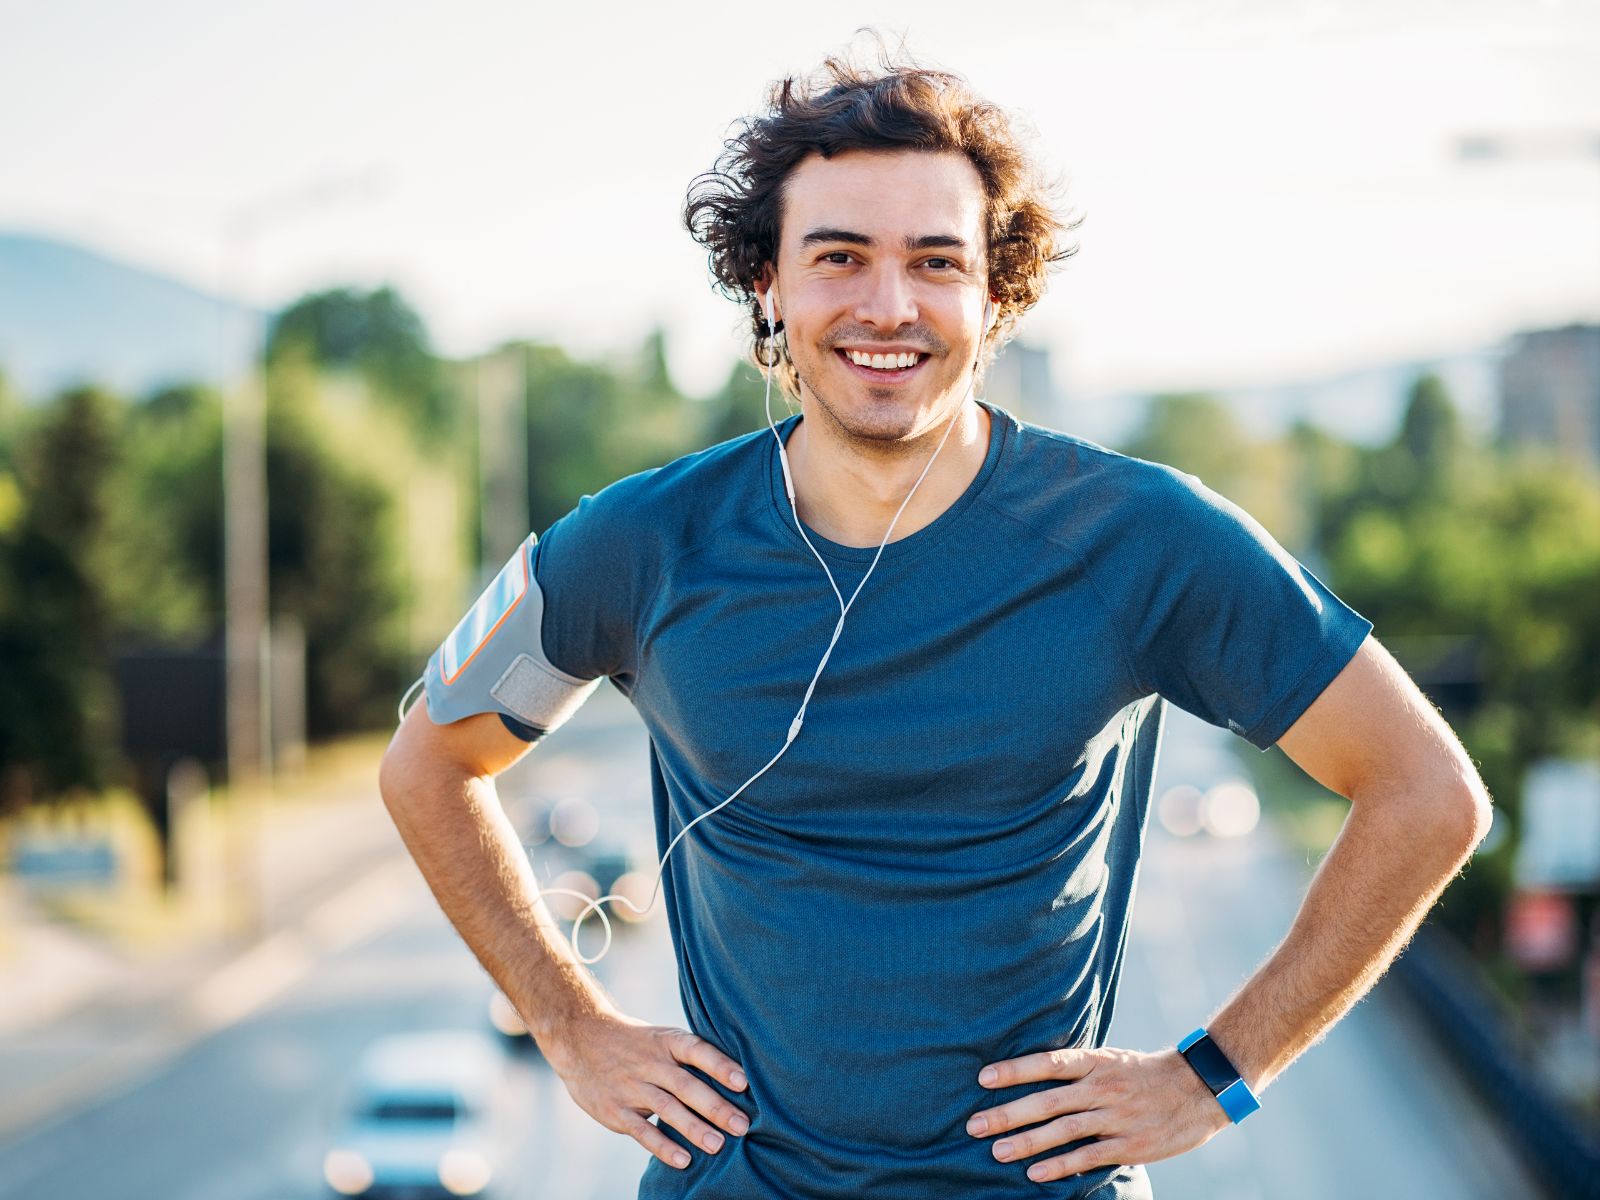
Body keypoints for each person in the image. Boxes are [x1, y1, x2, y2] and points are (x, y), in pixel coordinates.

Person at [379, 49, 1491, 1200]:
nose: (887, 306)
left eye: (936, 262)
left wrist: (1214, 1075)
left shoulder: (1140, 538)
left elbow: (1424, 792)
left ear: (995, 297)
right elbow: (433, 761)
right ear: (766, 281)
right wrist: (568, 1025)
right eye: (839, 258)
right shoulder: (641, 542)